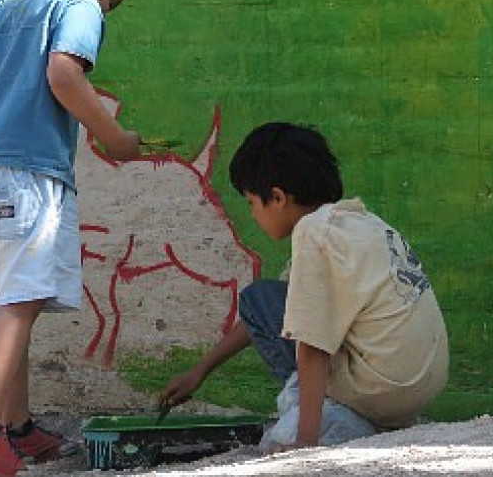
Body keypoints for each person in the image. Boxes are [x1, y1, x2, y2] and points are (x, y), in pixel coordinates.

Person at [0, 0, 142, 477]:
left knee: (13, 296)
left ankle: (18, 428)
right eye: (113, 1)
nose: (106, 11)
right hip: (28, 170)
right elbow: (63, 72)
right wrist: (114, 135)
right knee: (23, 301)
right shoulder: (76, 1)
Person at [158, 122, 449, 451]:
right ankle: (357, 420)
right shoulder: (358, 221)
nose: (252, 215)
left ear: (278, 198)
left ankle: (316, 416)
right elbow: (271, 315)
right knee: (263, 301)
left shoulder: (313, 233)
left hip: (377, 392)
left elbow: (311, 344)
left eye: (252, 203)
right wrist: (200, 371)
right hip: (412, 393)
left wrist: (305, 443)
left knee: (257, 300)